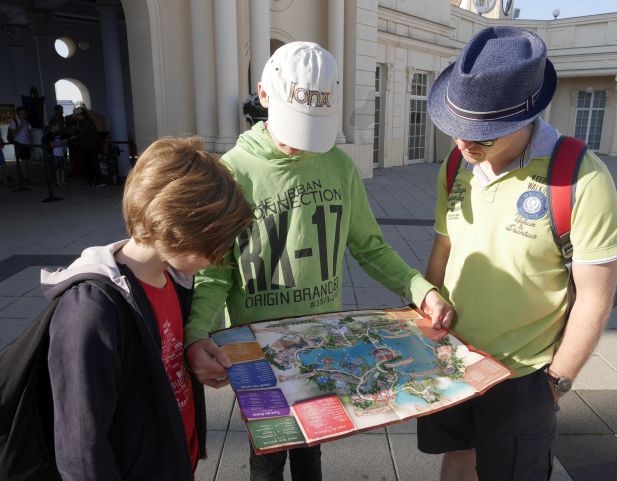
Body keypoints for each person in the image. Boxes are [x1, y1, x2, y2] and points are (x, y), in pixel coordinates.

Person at [184, 41, 455, 481]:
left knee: (313, 449)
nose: (300, 143)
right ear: (263, 95)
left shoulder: (338, 167)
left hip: (322, 342)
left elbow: (369, 248)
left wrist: (422, 291)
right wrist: (196, 333)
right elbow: (214, 272)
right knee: (268, 457)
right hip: (253, 346)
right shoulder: (232, 172)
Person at [417, 26, 617, 481]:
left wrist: (557, 382)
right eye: (456, 131)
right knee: (458, 457)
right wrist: (423, 314)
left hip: (522, 376)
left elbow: (595, 295)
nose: (464, 145)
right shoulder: (458, 165)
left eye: (482, 136)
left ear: (523, 117)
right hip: (451, 358)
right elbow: (445, 243)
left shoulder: (581, 178)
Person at [42, 137, 254, 480]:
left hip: (174, 458)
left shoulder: (173, 279)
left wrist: (191, 350)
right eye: (212, 244)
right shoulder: (90, 313)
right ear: (175, 226)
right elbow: (81, 448)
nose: (219, 257)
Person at [70, 106, 102, 186]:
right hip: (86, 146)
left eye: (76, 116)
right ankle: (91, 180)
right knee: (88, 164)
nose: (76, 118)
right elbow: (81, 134)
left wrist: (75, 139)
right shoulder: (82, 122)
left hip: (92, 146)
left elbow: (84, 134)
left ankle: (97, 180)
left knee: (94, 164)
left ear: (80, 115)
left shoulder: (86, 122)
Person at [8, 106, 32, 182]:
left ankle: (22, 173)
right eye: (21, 114)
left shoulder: (27, 122)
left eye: (24, 114)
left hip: (26, 144)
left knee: (27, 160)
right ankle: (25, 177)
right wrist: (21, 126)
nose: (23, 115)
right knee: (24, 160)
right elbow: (14, 134)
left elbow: (29, 133)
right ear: (17, 114)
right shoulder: (13, 122)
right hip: (19, 144)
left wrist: (31, 142)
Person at [43, 118, 69, 187]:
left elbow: (61, 143)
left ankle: (63, 182)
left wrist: (64, 145)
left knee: (62, 168)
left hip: (61, 153)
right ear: (53, 126)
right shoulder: (49, 135)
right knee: (57, 169)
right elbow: (52, 146)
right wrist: (62, 142)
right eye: (58, 125)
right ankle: (58, 182)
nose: (59, 127)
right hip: (54, 154)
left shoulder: (58, 133)